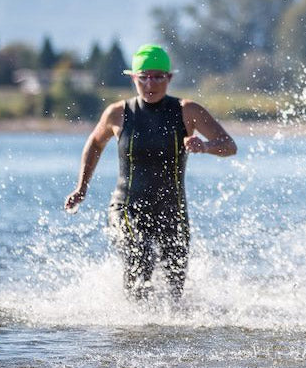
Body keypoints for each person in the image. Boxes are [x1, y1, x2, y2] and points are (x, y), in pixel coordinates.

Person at [64, 44, 236, 299]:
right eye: (143, 77)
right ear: (134, 78)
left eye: (158, 76)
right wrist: (82, 187)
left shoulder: (187, 111)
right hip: (127, 207)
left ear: (169, 78)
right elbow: (94, 143)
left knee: (175, 286)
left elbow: (229, 146)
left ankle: (166, 333)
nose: (150, 83)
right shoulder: (118, 113)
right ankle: (133, 328)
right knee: (139, 255)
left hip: (172, 209)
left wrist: (205, 146)